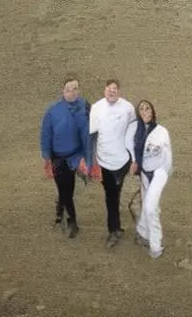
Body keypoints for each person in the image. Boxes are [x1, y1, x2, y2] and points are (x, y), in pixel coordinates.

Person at [39, 75, 92, 239]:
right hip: (58, 159)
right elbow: (45, 135)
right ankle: (71, 219)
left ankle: (64, 210)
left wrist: (88, 158)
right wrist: (47, 158)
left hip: (76, 157)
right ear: (63, 91)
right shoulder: (53, 111)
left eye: (75, 88)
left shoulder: (85, 106)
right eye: (68, 89)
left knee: (67, 189)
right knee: (65, 190)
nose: (72, 92)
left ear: (79, 89)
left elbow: (90, 132)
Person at [89, 78, 137, 248]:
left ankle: (115, 226)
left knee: (115, 193)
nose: (112, 92)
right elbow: (91, 134)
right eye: (109, 89)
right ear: (104, 90)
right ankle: (113, 230)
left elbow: (133, 128)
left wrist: (133, 156)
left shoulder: (127, 108)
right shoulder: (96, 108)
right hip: (104, 162)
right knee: (111, 195)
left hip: (122, 161)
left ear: (119, 91)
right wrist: (91, 160)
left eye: (115, 89)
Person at [126, 99, 172, 259]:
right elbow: (128, 144)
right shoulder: (134, 129)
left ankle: (155, 246)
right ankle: (142, 233)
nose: (145, 111)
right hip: (144, 173)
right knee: (148, 204)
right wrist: (134, 161)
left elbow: (168, 157)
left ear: (152, 111)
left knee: (151, 208)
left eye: (148, 108)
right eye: (142, 109)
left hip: (158, 173)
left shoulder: (161, 131)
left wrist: (163, 173)